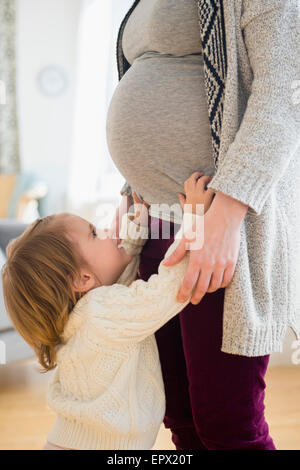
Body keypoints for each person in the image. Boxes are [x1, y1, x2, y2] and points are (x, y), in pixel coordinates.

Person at [108, 0, 300, 450]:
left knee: (227, 425)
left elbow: (286, 87)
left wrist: (228, 212)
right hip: (157, 226)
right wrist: (130, 189)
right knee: (181, 417)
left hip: (218, 225)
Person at [1, 173, 214, 450]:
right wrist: (195, 220)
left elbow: (121, 284)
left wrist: (137, 228)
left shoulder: (82, 314)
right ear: (82, 280)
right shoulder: (100, 314)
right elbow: (169, 290)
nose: (106, 231)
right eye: (95, 233)